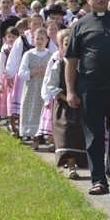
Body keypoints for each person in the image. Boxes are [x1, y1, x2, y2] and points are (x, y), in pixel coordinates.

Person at [65, 0, 110, 195]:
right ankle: (98, 180)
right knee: (94, 136)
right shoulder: (80, 24)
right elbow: (72, 60)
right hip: (90, 89)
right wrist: (70, 90)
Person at [43, 28, 88, 180]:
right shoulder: (59, 64)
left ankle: (78, 162)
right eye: (66, 44)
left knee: (79, 135)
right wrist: (65, 97)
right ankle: (70, 166)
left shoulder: (84, 65)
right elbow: (52, 85)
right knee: (66, 135)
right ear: (61, 47)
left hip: (81, 105)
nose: (69, 47)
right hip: (64, 106)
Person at [18, 27, 53, 149]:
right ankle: (35, 139)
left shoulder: (50, 54)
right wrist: (34, 72)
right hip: (32, 88)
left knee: (46, 112)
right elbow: (21, 72)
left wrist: (47, 73)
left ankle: (50, 140)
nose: (39, 41)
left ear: (46, 40)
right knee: (32, 111)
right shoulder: (28, 54)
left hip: (45, 88)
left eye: (42, 39)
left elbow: (54, 71)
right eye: (37, 38)